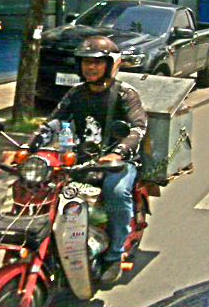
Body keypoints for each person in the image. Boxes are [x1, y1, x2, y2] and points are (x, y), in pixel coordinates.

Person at [31, 35, 147, 285]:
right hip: (82, 159)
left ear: (110, 64)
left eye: (97, 62)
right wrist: (29, 147)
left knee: (116, 192)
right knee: (43, 188)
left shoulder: (126, 94)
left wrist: (118, 153)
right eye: (85, 62)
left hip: (119, 163)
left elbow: (138, 129)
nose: (90, 67)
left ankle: (114, 255)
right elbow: (54, 123)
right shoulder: (76, 93)